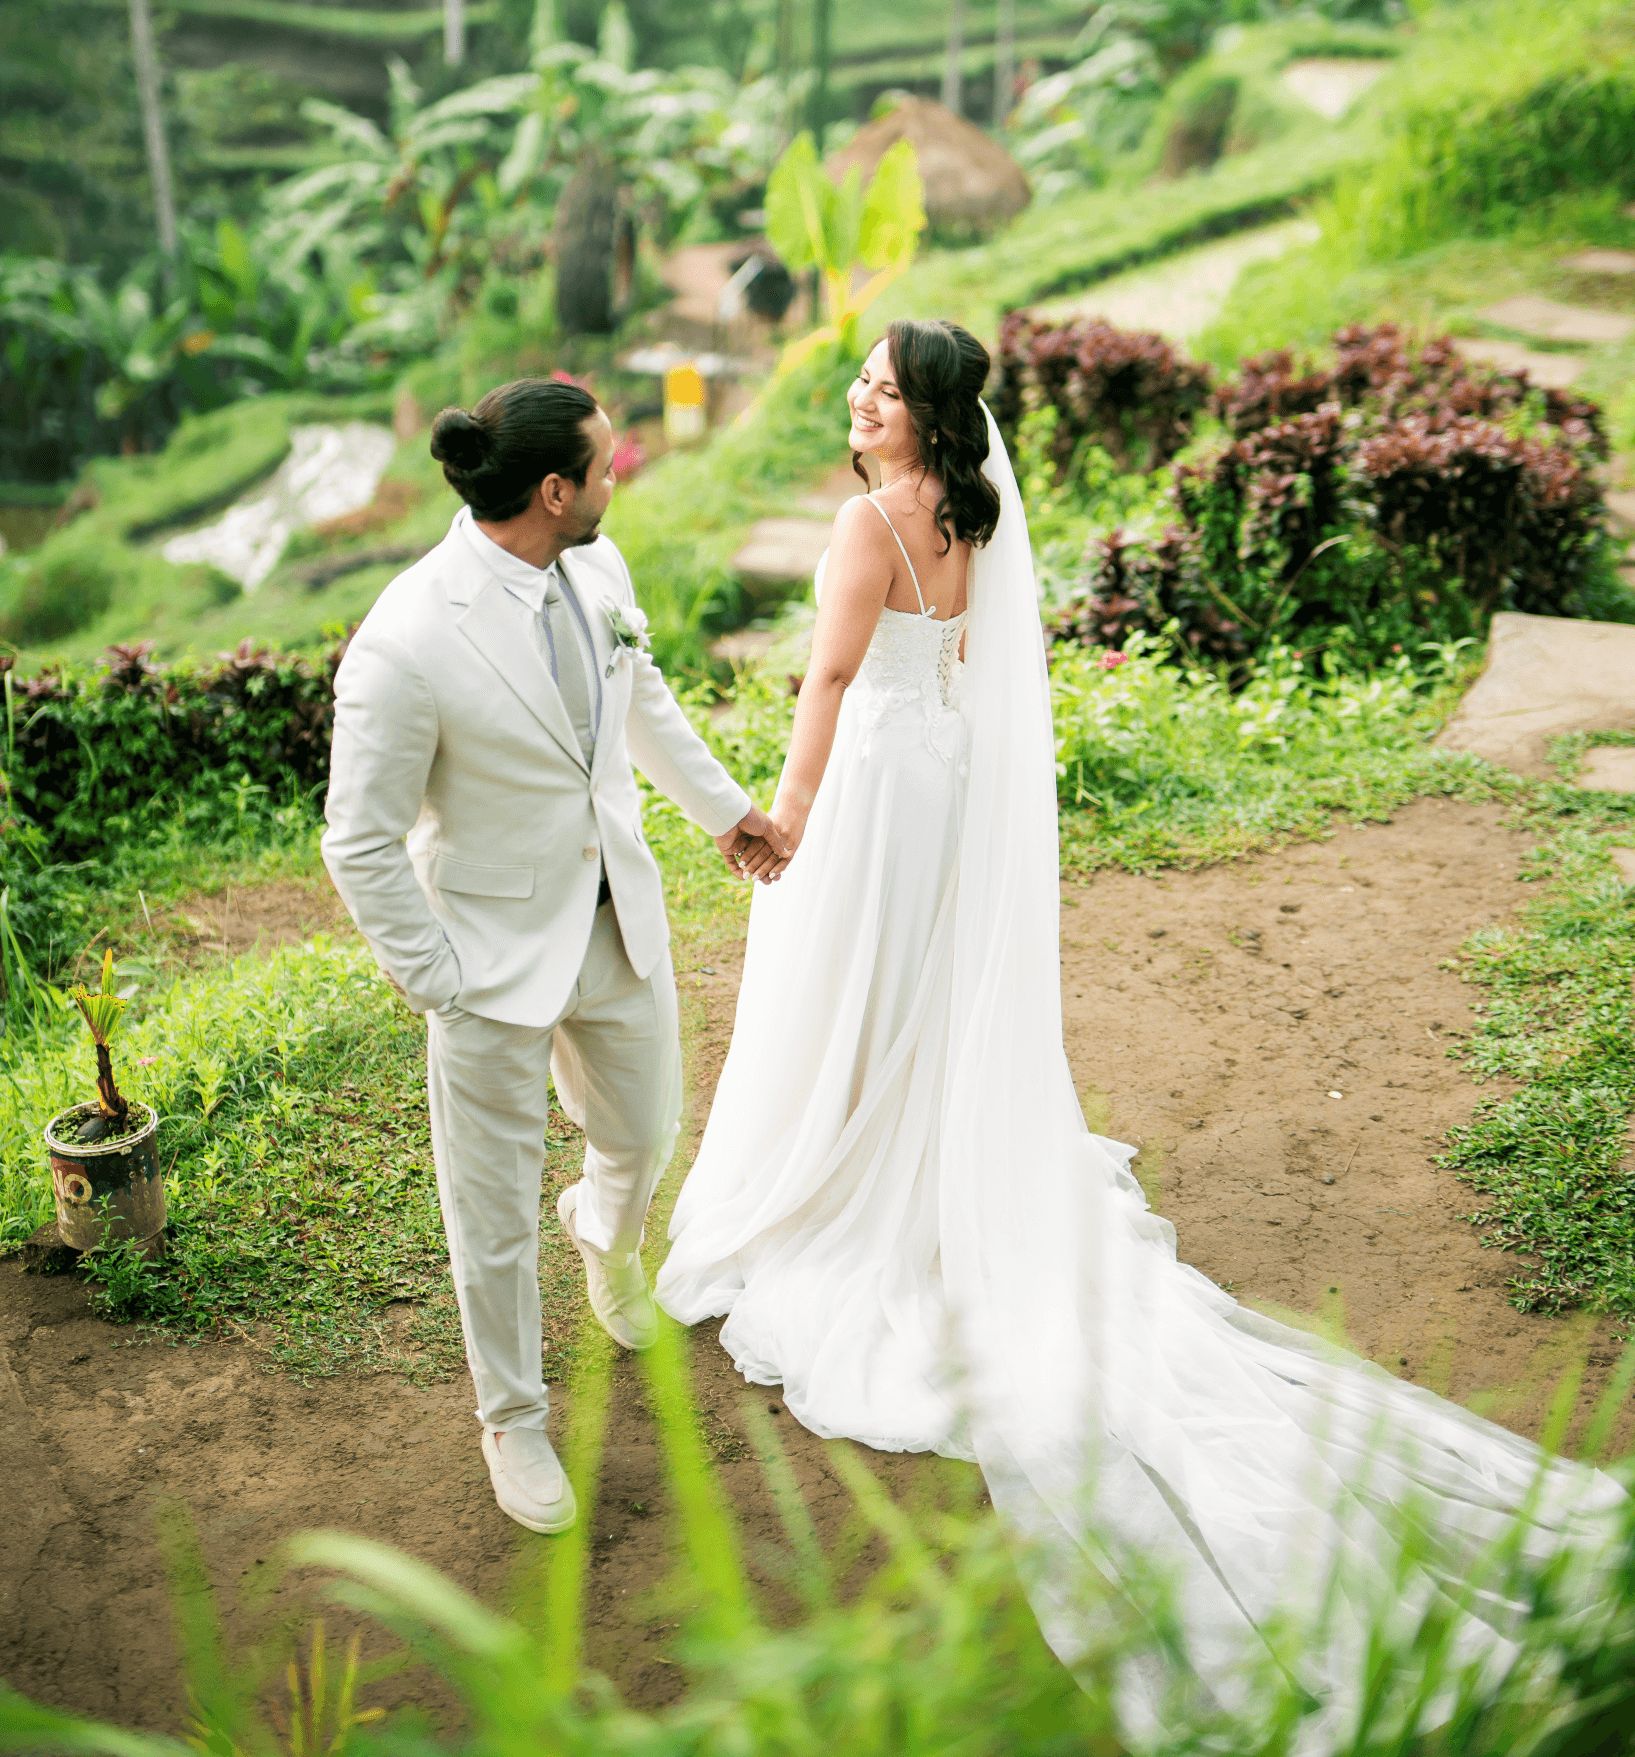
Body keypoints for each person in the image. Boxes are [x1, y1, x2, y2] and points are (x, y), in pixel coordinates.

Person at [658, 317, 1626, 1730]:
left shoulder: (868, 523)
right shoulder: (973, 512)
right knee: (912, 982)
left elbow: (823, 680)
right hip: (936, 794)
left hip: (870, 789)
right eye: (856, 387)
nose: (855, 406)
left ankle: (849, 1171)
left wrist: (791, 812)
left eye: (876, 390)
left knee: (845, 986)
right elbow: (972, 681)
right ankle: (899, 1142)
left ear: (925, 414)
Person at [322, 377, 786, 1537]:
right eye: (608, 462)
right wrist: (436, 979)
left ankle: (608, 1240)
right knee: (489, 1211)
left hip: (612, 914)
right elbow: (359, 837)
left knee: (644, 1128)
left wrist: (727, 810)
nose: (620, 475)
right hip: (482, 961)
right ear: (553, 488)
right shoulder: (409, 636)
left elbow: (644, 701)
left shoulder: (600, 571)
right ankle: (512, 1416)